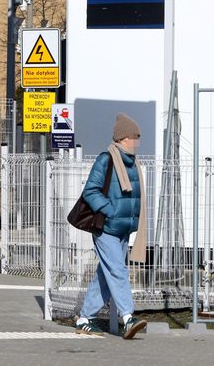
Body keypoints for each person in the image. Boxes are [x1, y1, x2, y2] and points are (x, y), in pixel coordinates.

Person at [75, 113, 148, 339]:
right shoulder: (106, 159)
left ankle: (85, 318)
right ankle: (128, 317)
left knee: (105, 275)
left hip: (123, 229)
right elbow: (90, 190)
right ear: (124, 137)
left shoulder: (133, 162)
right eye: (135, 137)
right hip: (106, 227)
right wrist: (111, 211)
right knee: (117, 270)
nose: (137, 141)